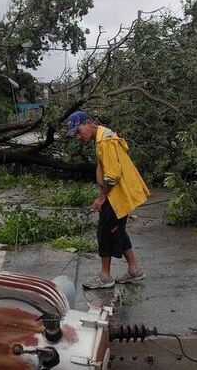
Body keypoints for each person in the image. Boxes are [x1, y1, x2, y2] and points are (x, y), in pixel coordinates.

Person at [66, 110, 150, 289]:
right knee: (117, 230)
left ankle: (105, 276)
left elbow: (113, 176)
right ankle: (134, 270)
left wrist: (101, 198)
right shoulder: (104, 136)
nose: (78, 137)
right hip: (119, 195)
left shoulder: (105, 141)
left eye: (78, 132)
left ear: (88, 123)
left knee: (105, 232)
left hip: (115, 196)